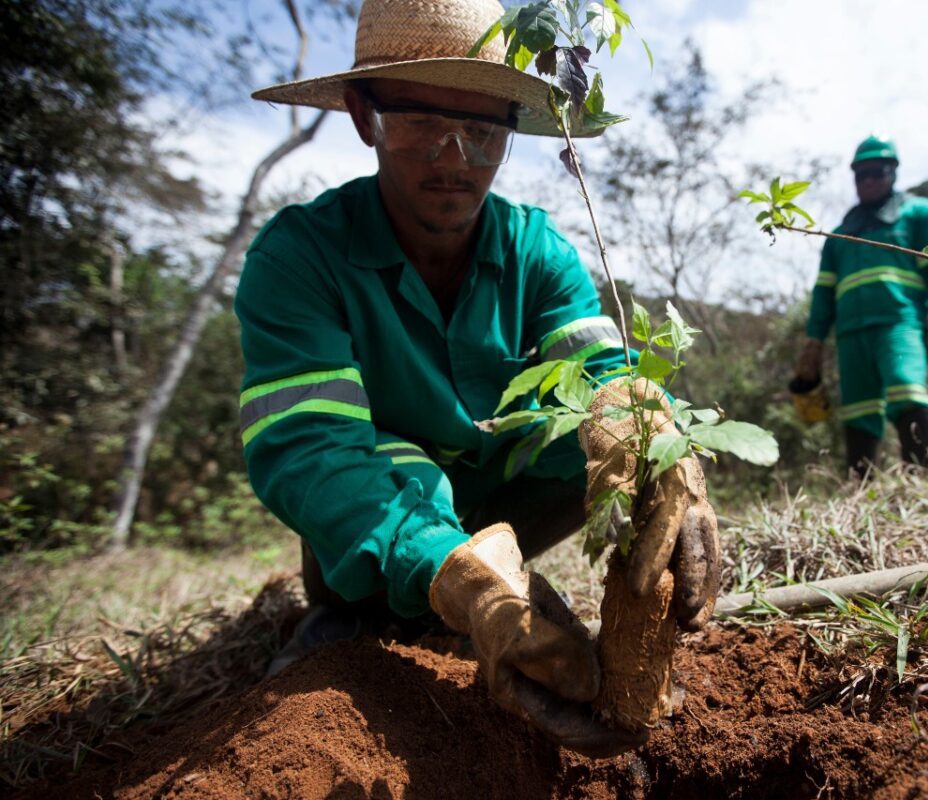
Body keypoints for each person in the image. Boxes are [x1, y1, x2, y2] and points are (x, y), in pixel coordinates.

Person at [237, 0, 718, 757]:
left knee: (599, 439)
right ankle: (358, 625)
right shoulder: (299, 257)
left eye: (484, 132)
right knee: (385, 492)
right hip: (373, 521)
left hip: (510, 500)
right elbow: (308, 448)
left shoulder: (539, 252)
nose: (455, 157)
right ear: (365, 117)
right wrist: (456, 574)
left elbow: (596, 369)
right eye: (423, 123)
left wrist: (646, 431)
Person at [795, 136, 928, 477]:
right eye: (862, 174)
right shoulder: (839, 236)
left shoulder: (919, 214)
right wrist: (814, 342)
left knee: (907, 387)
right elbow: (824, 291)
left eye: (877, 172)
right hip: (850, 333)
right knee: (858, 408)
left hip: (899, 322)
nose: (869, 180)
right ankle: (861, 488)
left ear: (893, 173)